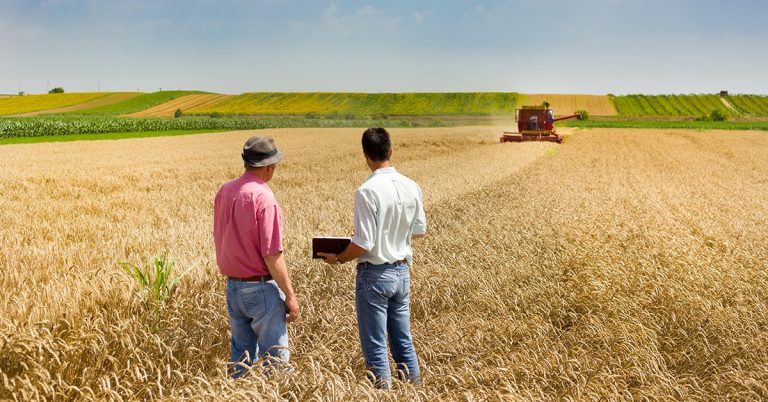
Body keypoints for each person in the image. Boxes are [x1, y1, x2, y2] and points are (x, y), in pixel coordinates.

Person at [318, 127, 427, 389]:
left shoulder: (367, 191)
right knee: (403, 340)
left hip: (375, 275)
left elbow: (364, 243)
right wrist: (393, 235)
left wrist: (340, 258)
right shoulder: (412, 186)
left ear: (366, 155)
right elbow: (420, 230)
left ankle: (382, 395)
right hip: (402, 273)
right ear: (391, 150)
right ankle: (415, 392)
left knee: (375, 345)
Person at [213, 136, 300, 378]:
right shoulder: (264, 197)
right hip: (261, 288)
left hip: (233, 287)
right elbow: (272, 255)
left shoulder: (225, 191)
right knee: (275, 361)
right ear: (270, 167)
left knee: (240, 358)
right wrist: (291, 297)